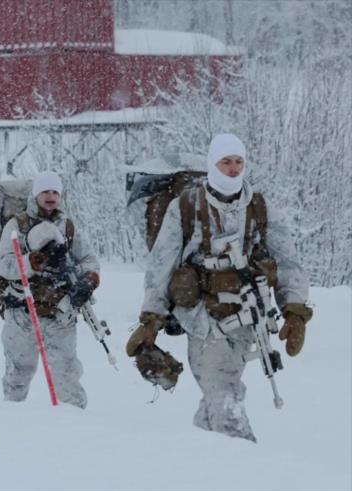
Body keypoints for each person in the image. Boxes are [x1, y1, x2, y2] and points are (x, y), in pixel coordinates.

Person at [126, 133, 312, 442]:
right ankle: (245, 462)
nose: (233, 168)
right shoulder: (185, 207)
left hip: (245, 320)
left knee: (217, 393)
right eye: (226, 161)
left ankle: (205, 458)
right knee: (224, 395)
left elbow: (288, 261)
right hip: (201, 319)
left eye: (239, 161)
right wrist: (151, 320)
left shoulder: (260, 207)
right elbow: (161, 265)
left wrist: (295, 312)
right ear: (213, 164)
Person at [0, 171, 100, 407]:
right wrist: (31, 262)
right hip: (22, 312)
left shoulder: (68, 227)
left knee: (66, 374)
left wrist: (89, 279)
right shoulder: (17, 225)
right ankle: (10, 419)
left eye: (55, 192)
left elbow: (89, 259)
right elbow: (3, 264)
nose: (50, 196)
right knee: (18, 374)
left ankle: (76, 424)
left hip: (59, 313)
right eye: (45, 191)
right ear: (35, 195)